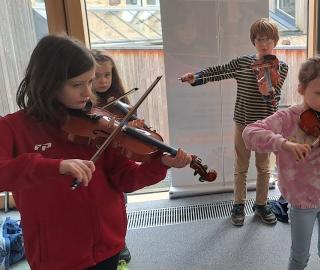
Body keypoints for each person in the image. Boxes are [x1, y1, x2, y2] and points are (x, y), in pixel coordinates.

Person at [0, 35, 192, 270]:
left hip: (107, 246)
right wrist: (55, 166)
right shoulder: (12, 128)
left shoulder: (97, 124)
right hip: (55, 256)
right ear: (48, 82)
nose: (86, 93)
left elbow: (125, 179)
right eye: (77, 84)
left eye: (90, 82)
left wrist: (160, 164)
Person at [243, 56, 320, 270]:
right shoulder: (287, 118)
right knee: (299, 257)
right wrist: (284, 144)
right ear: (301, 89)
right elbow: (249, 133)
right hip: (302, 201)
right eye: (319, 93)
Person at [179, 18, 288, 226]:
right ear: (253, 41)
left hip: (265, 126)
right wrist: (197, 77)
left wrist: (266, 84)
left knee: (264, 166)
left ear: (275, 41)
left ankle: (262, 204)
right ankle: (238, 204)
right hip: (242, 122)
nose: (264, 43)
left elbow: (273, 98)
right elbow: (220, 71)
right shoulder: (241, 63)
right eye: (259, 39)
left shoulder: (281, 67)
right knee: (241, 166)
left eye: (268, 39)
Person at [91, 49, 139, 264]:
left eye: (107, 75)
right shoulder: (83, 103)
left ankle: (119, 243)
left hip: (117, 161)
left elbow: (129, 130)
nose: (102, 81)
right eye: (96, 76)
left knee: (119, 206)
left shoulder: (120, 102)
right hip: (94, 159)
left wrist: (134, 126)